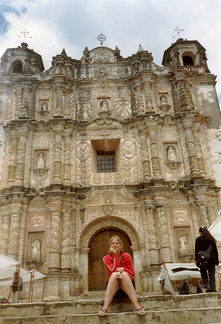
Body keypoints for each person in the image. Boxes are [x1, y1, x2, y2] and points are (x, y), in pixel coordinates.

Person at [98, 235, 145, 316]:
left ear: (120, 245)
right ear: (110, 246)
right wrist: (115, 255)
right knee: (113, 275)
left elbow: (133, 275)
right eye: (112, 243)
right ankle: (105, 308)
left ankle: (137, 306)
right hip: (113, 287)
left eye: (117, 243)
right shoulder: (106, 258)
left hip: (126, 287)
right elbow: (113, 270)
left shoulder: (127, 256)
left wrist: (124, 269)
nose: (115, 245)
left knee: (124, 274)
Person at [195, 226, 219, 292]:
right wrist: (217, 261)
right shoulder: (212, 239)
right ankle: (213, 289)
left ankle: (207, 285)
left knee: (203, 272)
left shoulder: (199, 239)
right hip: (212, 260)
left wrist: (196, 259)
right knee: (212, 275)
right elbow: (215, 251)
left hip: (203, 259)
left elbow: (197, 250)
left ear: (200, 232)